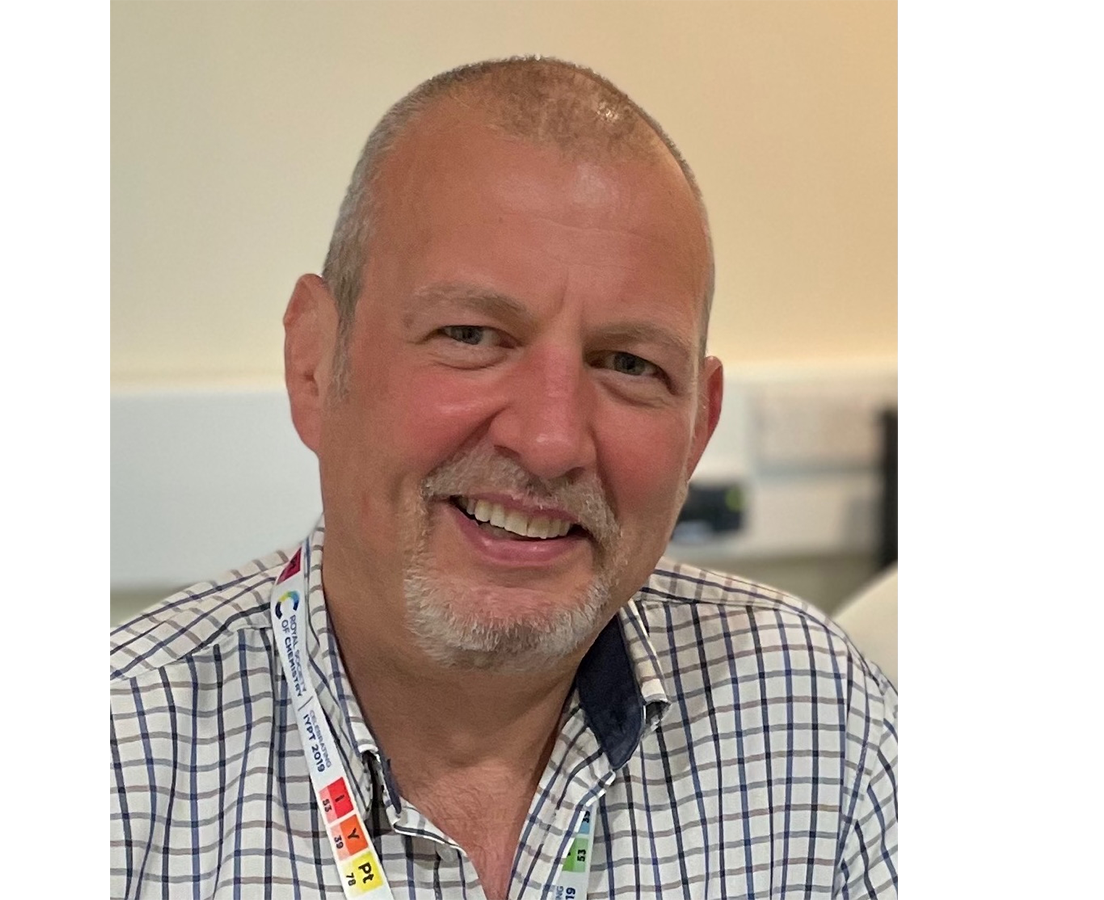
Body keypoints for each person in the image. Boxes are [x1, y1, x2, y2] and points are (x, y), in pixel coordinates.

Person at [110, 57, 897, 900]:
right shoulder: (118, 773)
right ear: (314, 365)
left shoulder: (819, 720)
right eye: (472, 335)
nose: (552, 439)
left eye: (629, 363)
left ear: (698, 427)